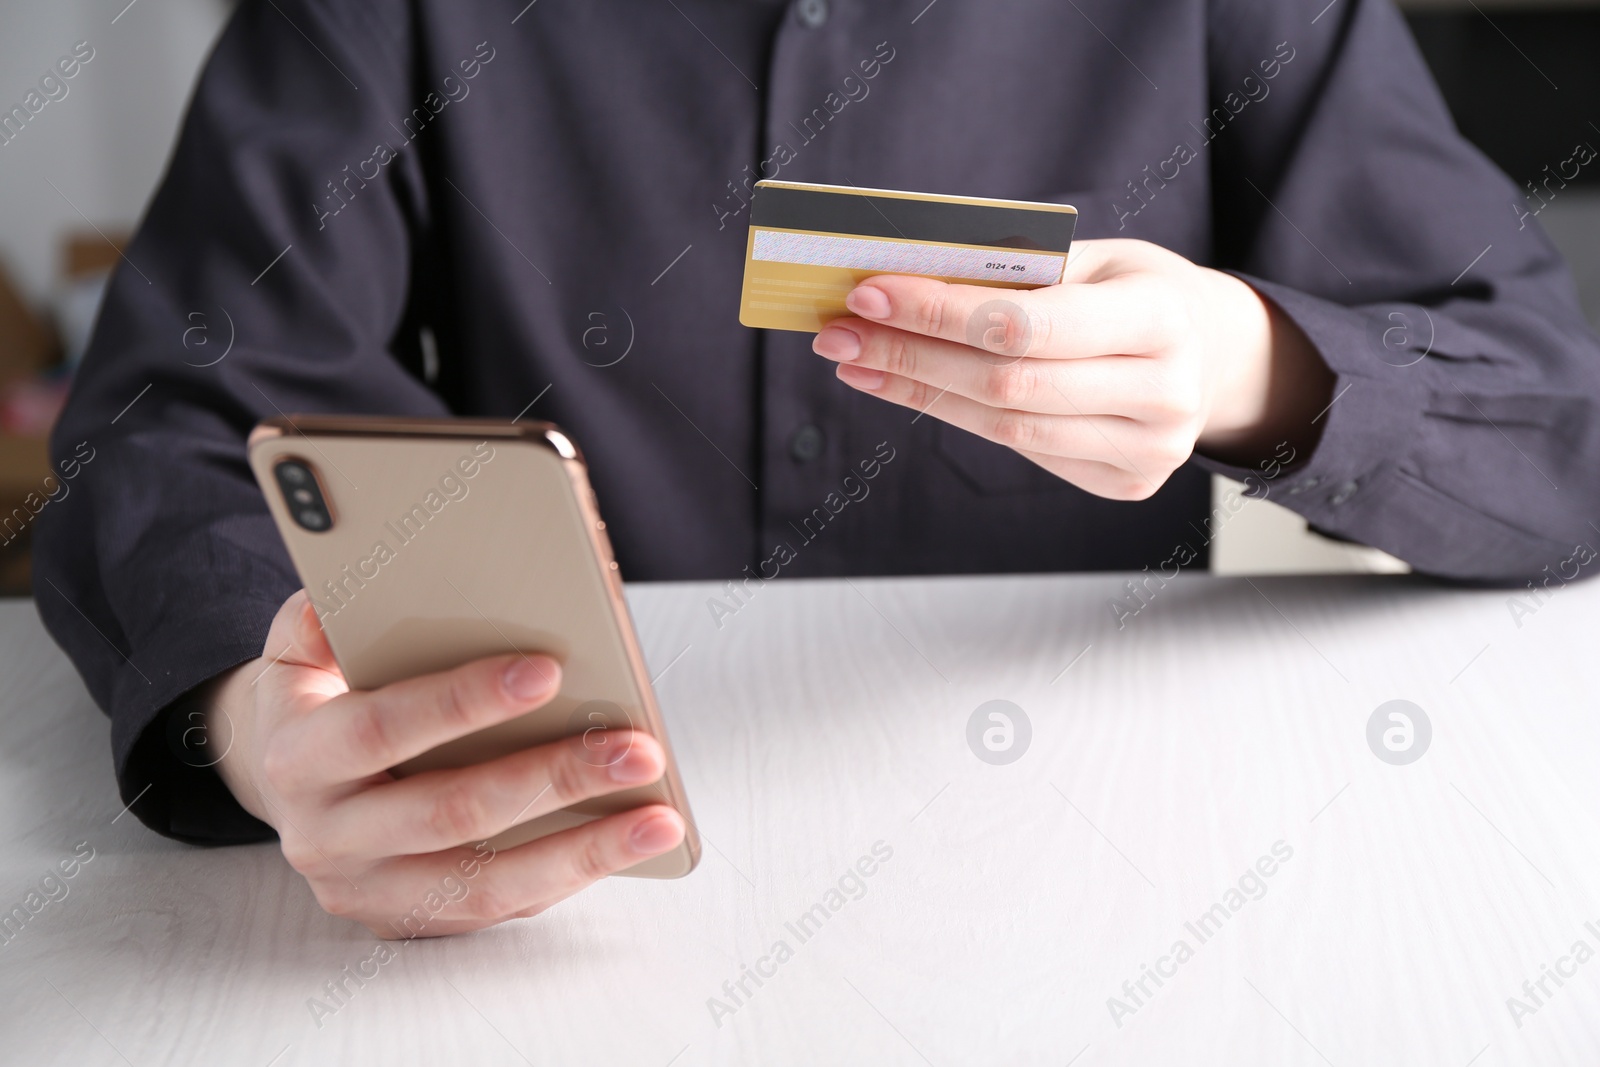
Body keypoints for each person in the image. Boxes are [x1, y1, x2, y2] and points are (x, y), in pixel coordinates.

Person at [36, 0, 1600, 937]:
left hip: (1104, 900)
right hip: (566, 915)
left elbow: (1557, 430)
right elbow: (164, 416)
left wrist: (1249, 363)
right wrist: (256, 723)